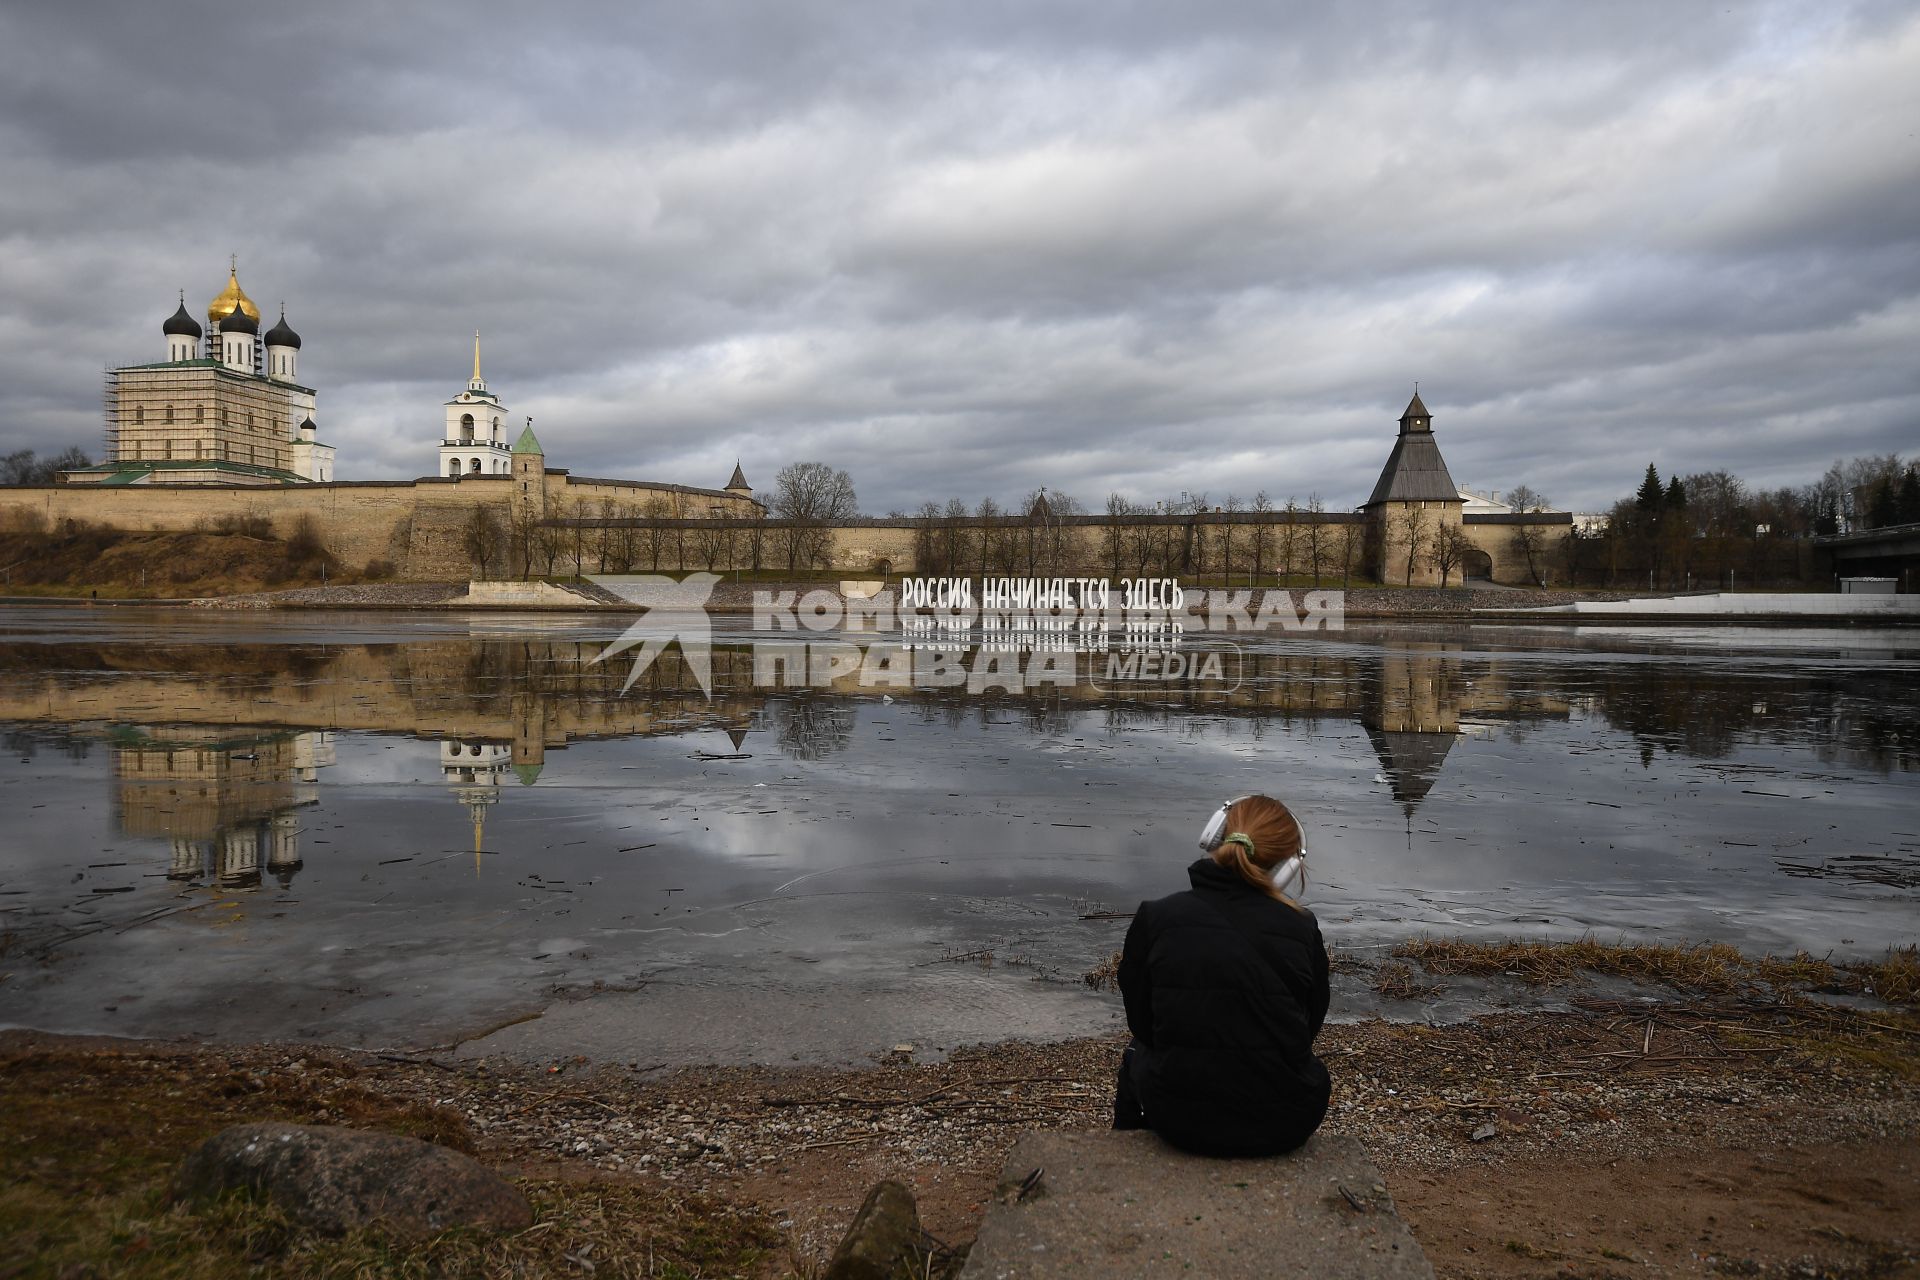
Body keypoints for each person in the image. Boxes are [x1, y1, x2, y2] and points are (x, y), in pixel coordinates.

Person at [1114, 793, 1331, 1156]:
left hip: (1177, 1119)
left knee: (1136, 1053)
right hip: (1285, 1122)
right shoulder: (1303, 928)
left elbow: (1142, 1023)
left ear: (1214, 836)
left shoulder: (1155, 917)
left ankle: (1125, 1157)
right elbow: (1306, 1029)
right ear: (1287, 867)